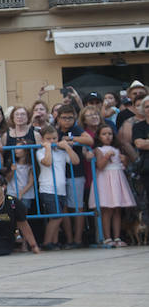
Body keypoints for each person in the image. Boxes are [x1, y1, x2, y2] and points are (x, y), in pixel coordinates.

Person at [86, 124, 135, 247]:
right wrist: (107, 156)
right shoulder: (99, 150)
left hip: (117, 179)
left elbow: (123, 166)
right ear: (99, 136)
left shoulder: (118, 149)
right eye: (104, 134)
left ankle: (117, 237)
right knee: (106, 210)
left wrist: (125, 160)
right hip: (105, 181)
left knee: (117, 209)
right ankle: (107, 237)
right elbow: (100, 166)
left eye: (110, 134)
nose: (108, 136)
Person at [54, 104, 93, 247]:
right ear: (58, 118)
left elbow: (89, 140)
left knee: (77, 207)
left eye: (70, 118)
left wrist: (72, 140)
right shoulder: (55, 131)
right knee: (64, 208)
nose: (67, 121)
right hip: (59, 174)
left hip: (76, 174)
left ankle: (78, 239)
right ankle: (69, 239)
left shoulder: (76, 129)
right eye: (64, 118)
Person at [37, 125, 79, 250]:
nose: (52, 141)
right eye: (48, 139)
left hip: (61, 189)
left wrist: (67, 148)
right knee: (56, 217)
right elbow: (47, 162)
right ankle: (47, 243)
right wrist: (48, 149)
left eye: (54, 138)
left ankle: (54, 242)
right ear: (42, 140)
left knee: (58, 217)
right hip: (48, 189)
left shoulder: (61, 152)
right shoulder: (40, 152)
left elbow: (75, 161)